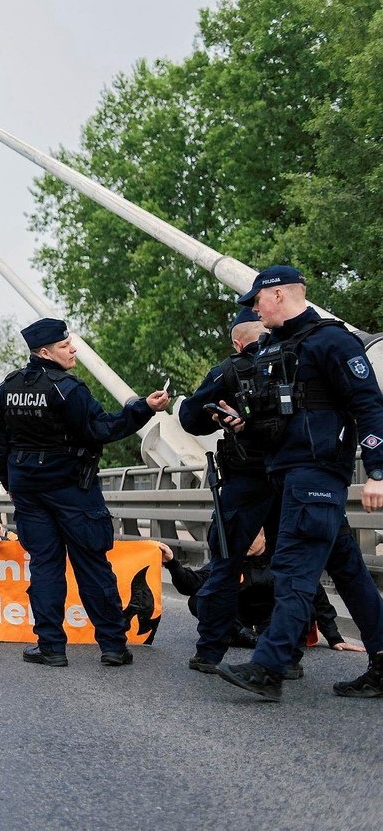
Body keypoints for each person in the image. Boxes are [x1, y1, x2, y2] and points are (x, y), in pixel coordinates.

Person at [213, 265, 383, 700]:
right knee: (349, 572)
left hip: (317, 475)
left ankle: (268, 668)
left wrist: (379, 472)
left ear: (281, 296)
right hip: (289, 476)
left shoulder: (331, 341)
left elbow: (370, 405)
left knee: (292, 569)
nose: (254, 308)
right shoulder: (275, 347)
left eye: (257, 300)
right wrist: (242, 427)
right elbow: (277, 421)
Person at [0, 317, 170, 668]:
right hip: (72, 488)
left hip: (29, 491)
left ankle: (51, 647)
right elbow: (101, 428)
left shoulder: (6, 389)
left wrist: (12, 484)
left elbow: (0, 444)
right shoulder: (68, 389)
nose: (73, 349)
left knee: (44, 567)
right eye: (64, 346)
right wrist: (144, 408)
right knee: (92, 565)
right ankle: (113, 647)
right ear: (45, 352)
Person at [177, 306, 283, 673]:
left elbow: (189, 418)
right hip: (294, 477)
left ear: (239, 343)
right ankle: (288, 656)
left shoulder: (230, 369)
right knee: (293, 565)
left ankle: (209, 653)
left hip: (246, 479)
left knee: (225, 563)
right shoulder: (296, 357)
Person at [156, 539, 364, 656]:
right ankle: (246, 637)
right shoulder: (229, 560)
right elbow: (193, 584)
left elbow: (315, 594)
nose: (246, 538)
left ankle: (267, 640)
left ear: (265, 535)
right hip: (241, 622)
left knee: (303, 605)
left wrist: (335, 637)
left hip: (274, 619)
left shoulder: (283, 559)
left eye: (252, 534)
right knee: (200, 599)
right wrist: (173, 563)